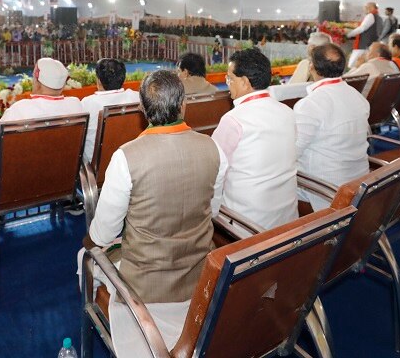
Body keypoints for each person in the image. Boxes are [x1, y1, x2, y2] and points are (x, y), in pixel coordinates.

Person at [82, 70, 226, 357]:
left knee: (86, 255)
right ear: (184, 104)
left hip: (145, 290)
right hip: (199, 281)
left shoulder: (126, 157)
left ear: (141, 109)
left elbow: (103, 234)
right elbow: (212, 212)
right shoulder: (214, 148)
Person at [212, 48, 297, 229]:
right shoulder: (288, 112)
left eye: (230, 79)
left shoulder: (234, 120)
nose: (228, 84)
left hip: (246, 224)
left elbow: (214, 171)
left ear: (244, 82)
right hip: (287, 218)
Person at [294, 44, 370, 211]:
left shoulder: (310, 104)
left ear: (312, 67)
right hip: (357, 182)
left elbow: (291, 153)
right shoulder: (358, 97)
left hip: (324, 190)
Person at [0, 58, 84, 173]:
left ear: (37, 81)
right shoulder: (76, 106)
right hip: (63, 182)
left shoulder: (19, 110)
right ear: (63, 83)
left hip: (20, 186)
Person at [81, 58, 140, 164]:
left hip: (97, 168)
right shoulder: (136, 98)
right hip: (131, 162)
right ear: (122, 78)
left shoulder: (87, 104)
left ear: (98, 81)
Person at [346, 2, 383, 68]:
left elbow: (362, 28)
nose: (364, 9)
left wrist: (348, 34)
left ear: (371, 7)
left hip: (364, 45)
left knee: (352, 65)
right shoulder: (379, 18)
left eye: (366, 7)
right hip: (371, 45)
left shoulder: (370, 16)